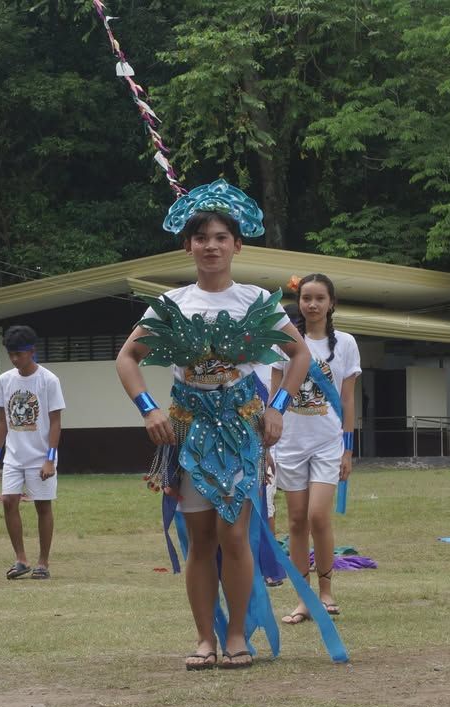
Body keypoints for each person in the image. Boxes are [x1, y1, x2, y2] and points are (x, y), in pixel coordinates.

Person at [115, 179, 311, 670]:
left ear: (237, 245)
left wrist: (278, 406)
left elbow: (298, 353)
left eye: (221, 237)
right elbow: (127, 358)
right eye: (201, 238)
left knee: (236, 535)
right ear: (188, 246)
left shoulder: (256, 301)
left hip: (241, 431)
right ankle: (206, 638)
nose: (211, 246)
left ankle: (239, 636)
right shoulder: (173, 303)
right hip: (188, 432)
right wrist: (148, 409)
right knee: (200, 540)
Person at [271, 273, 361, 624]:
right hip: (290, 443)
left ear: (331, 303)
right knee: (295, 521)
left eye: (319, 298)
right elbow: (275, 394)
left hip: (328, 443)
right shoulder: (284, 343)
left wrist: (348, 449)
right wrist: (268, 441)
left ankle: (326, 591)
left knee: (317, 516)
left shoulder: (347, 344)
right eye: (306, 297)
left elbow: (349, 399)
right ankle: (303, 598)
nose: (312, 304)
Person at [0, 325, 66, 581]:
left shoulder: (49, 380)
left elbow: (55, 422)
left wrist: (50, 459)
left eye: (18, 354)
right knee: (9, 502)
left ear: (32, 351)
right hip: (13, 456)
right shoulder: (5, 380)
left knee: (43, 506)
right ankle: (21, 559)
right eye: (10, 354)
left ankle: (43, 562)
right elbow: (2, 419)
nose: (14, 359)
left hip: (40, 457)